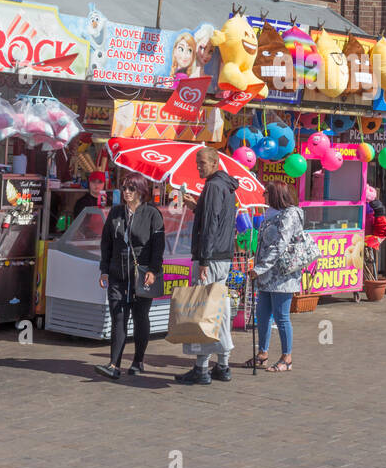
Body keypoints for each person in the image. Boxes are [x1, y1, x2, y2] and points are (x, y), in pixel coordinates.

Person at [176, 147, 238, 385]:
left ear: (214, 163)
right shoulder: (225, 186)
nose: (198, 167)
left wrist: (203, 258)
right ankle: (222, 365)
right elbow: (215, 217)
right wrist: (196, 206)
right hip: (222, 257)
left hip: (211, 259)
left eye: (202, 163)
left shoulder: (213, 186)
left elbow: (212, 223)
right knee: (218, 311)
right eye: (197, 163)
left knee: (204, 312)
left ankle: (202, 368)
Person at [95, 173, 164, 380]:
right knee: (118, 317)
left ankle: (138, 360)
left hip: (141, 275)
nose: (126, 192)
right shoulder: (116, 213)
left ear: (141, 191)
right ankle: (114, 364)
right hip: (118, 274)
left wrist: (153, 269)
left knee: (140, 317)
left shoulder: (152, 214)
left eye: (131, 189)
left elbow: (158, 246)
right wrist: (104, 269)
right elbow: (106, 243)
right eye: (124, 188)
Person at [245, 181, 305, 373]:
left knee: (281, 316)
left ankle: (287, 358)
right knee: (262, 315)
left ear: (276, 194)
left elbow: (280, 244)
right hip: (266, 275)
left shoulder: (290, 214)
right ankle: (262, 353)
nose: (264, 196)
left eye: (266, 193)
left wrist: (260, 268)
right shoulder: (270, 214)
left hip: (282, 275)